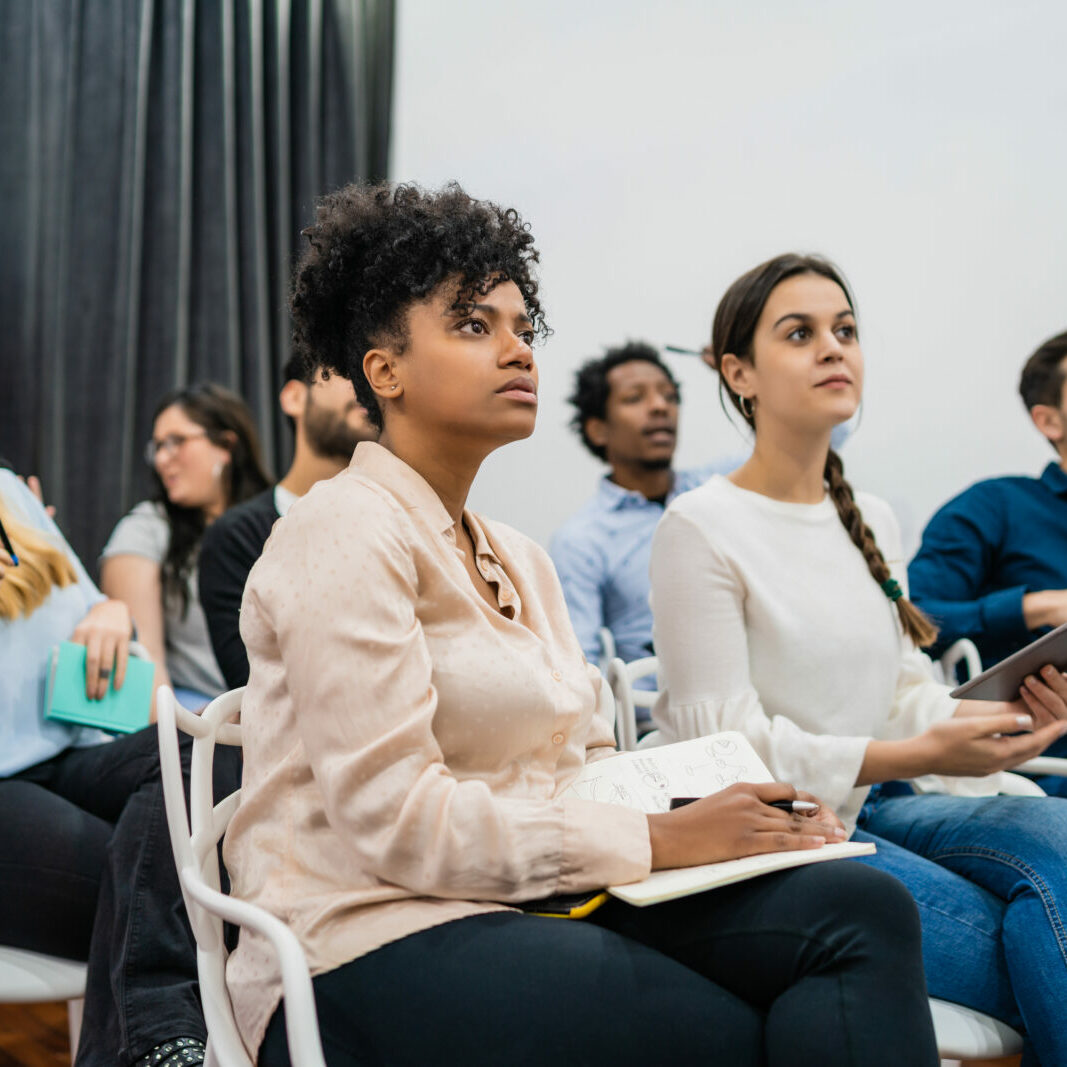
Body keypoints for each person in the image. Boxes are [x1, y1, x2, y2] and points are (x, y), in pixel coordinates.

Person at [222, 182, 938, 1067]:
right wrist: (656, 838)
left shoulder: (520, 556)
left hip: (541, 898)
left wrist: (706, 808)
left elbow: (586, 760)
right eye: (474, 325)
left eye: (522, 326)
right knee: (735, 1034)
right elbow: (395, 820)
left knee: (864, 908)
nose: (518, 349)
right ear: (385, 371)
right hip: (363, 932)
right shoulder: (341, 529)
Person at [649, 252, 1067, 1065]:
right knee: (1036, 930)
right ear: (738, 373)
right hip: (782, 832)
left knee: (1054, 831)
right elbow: (723, 748)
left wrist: (1004, 719)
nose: (833, 348)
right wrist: (918, 749)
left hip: (881, 801)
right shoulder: (698, 528)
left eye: (844, 330)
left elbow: (905, 690)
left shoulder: (866, 515)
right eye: (799, 333)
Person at [0, 465, 239, 1067]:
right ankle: (158, 1036)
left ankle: (148, 1039)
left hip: (66, 748)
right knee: (190, 877)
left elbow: (86, 603)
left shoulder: (7, 492)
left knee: (216, 748)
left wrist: (111, 612)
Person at [550, 342, 735, 678]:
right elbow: (581, 670)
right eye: (635, 398)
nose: (660, 406)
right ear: (598, 429)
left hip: (755, 706)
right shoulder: (580, 541)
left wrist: (741, 374)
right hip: (654, 724)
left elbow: (818, 440)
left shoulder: (718, 487)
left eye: (669, 395)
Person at [199, 353, 377, 689]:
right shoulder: (237, 537)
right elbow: (256, 686)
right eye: (349, 370)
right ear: (295, 397)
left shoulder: (403, 522)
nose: (369, 387)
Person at [101, 383, 272, 708]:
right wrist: (192, 738)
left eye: (176, 442)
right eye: (158, 447)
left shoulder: (276, 520)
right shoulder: (146, 529)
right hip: (199, 726)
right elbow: (147, 670)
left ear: (226, 445)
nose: (163, 459)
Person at [909, 331, 1067, 668]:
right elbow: (908, 618)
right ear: (1049, 420)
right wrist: (1038, 607)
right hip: (1030, 718)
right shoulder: (994, 507)